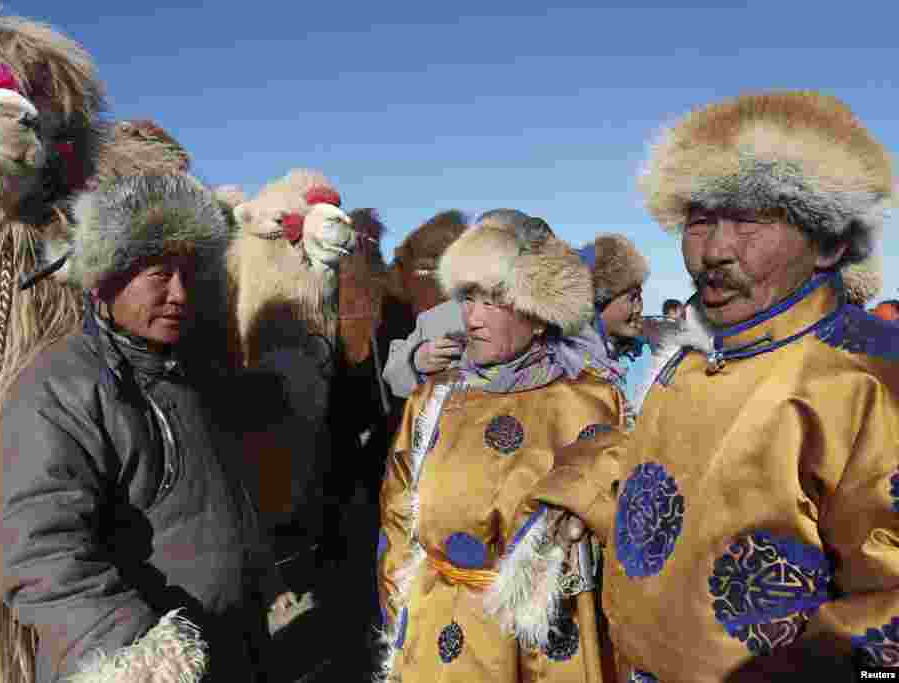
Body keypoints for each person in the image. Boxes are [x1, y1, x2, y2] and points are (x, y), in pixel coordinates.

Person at [529, 91, 899, 681]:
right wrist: (583, 478)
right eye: (701, 220)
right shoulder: (691, 360)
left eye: (752, 219)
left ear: (828, 242)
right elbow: (681, 480)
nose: (715, 251)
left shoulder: (872, 380)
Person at [0, 175, 292, 683]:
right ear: (105, 277)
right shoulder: (59, 389)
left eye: (190, 274)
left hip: (230, 650)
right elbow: (38, 551)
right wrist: (143, 656)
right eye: (158, 273)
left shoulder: (190, 374)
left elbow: (220, 504)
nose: (180, 293)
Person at [377, 209, 625, 683]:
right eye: (467, 298)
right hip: (441, 631)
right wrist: (401, 609)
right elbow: (397, 512)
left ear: (537, 313)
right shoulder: (437, 395)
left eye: (492, 300)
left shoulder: (587, 399)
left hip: (547, 639)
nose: (472, 317)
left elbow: (618, 525)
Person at [575, 234, 650, 421]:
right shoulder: (567, 363)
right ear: (599, 299)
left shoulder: (646, 355)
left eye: (640, 297)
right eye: (631, 297)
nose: (639, 307)